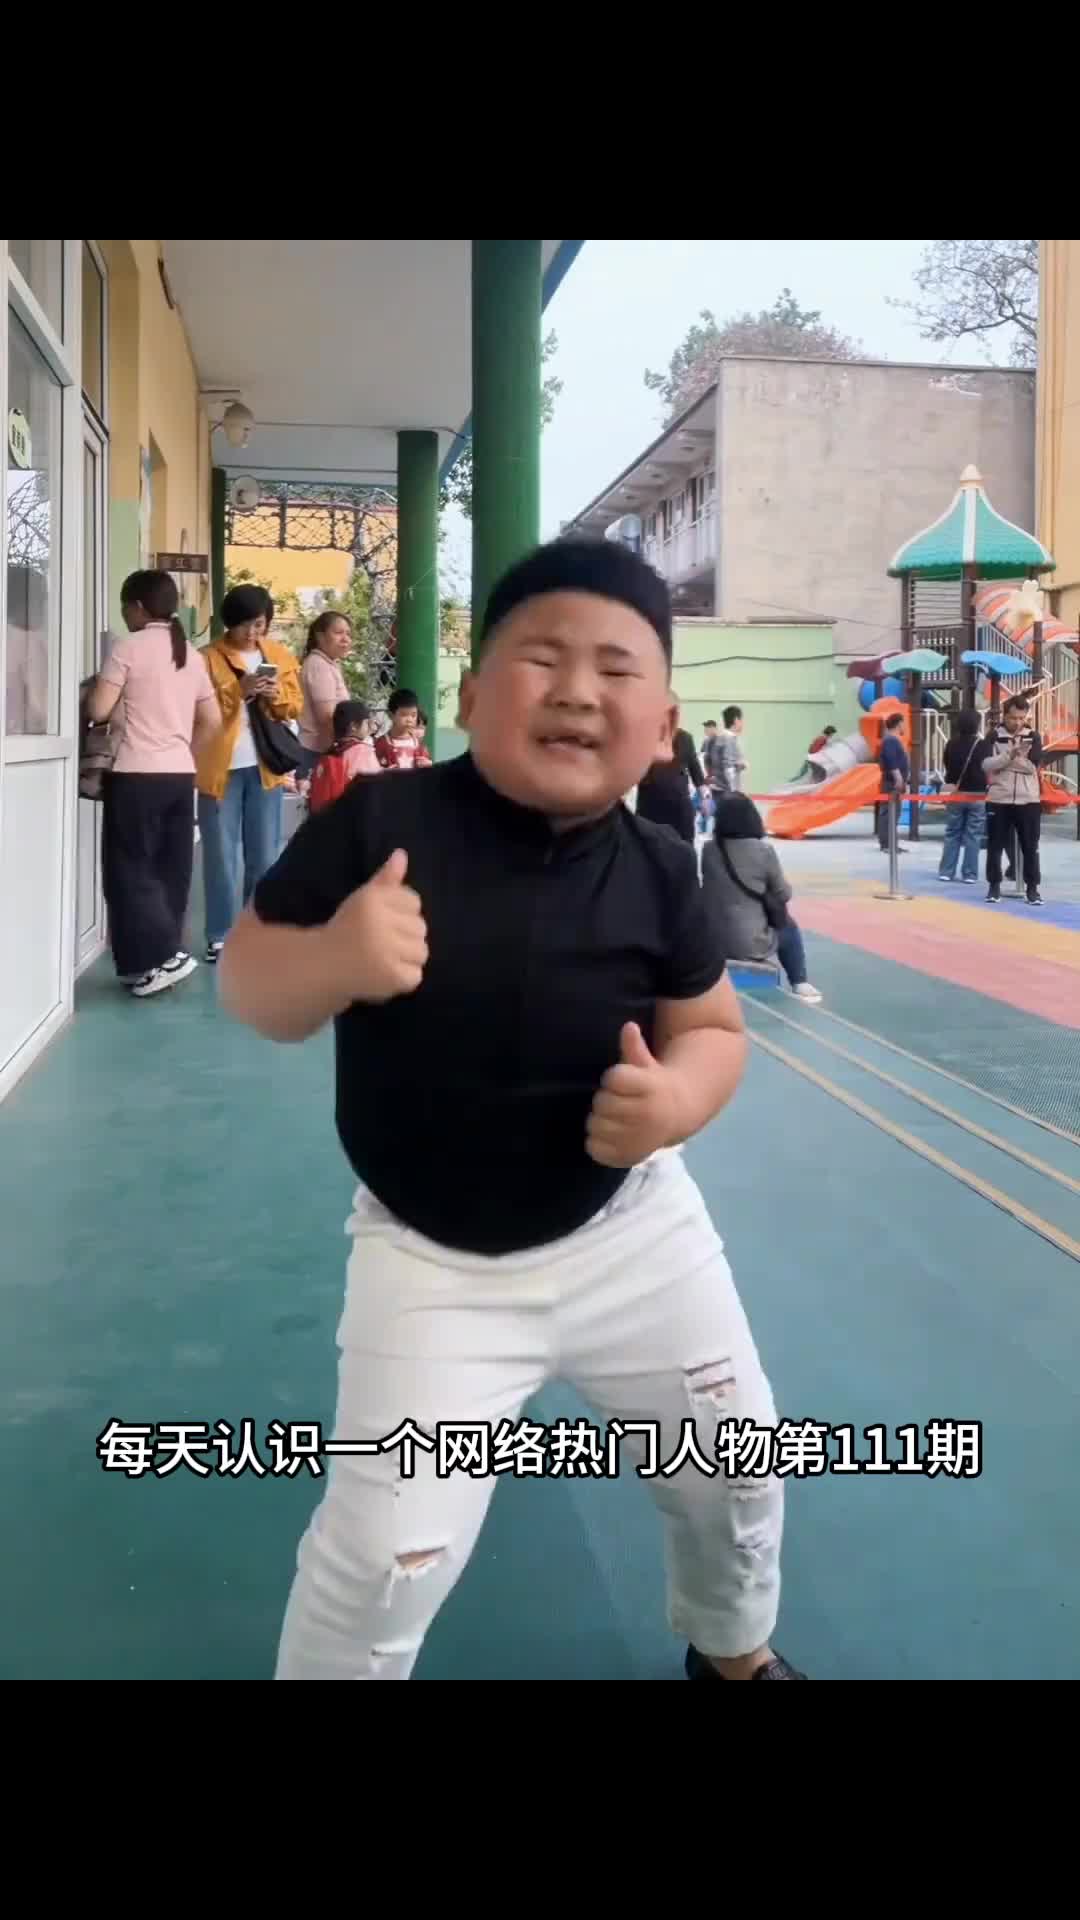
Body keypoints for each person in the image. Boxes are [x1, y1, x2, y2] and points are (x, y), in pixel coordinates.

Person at [219, 536, 803, 1684]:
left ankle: (734, 1655)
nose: (578, 689)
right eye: (542, 658)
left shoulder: (660, 868)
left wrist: (676, 1100)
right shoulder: (379, 825)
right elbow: (250, 981)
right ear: (473, 695)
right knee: (386, 1556)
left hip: (631, 1230)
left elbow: (714, 1031)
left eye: (616, 669)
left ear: (663, 723)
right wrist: (335, 958)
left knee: (734, 1469)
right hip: (429, 1255)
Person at [86, 570, 221, 997]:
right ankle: (143, 966)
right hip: (179, 775)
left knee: (129, 871)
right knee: (169, 869)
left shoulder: (128, 648)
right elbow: (212, 720)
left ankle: (166, 956)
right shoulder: (191, 656)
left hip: (135, 775)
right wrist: (183, 750)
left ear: (139, 607)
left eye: (125, 606)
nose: (124, 614)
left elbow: (98, 709)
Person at [196, 584, 303, 963]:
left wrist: (276, 697)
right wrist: (236, 690)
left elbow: (294, 707)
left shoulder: (279, 655)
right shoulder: (206, 659)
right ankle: (220, 934)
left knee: (264, 855)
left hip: (265, 768)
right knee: (220, 856)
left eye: (260, 624)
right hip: (219, 769)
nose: (253, 633)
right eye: (245, 625)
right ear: (230, 623)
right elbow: (198, 712)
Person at [702, 795, 822, 1003]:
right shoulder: (763, 850)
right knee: (788, 926)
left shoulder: (709, 850)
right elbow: (783, 894)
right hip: (749, 943)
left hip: (712, 940)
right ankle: (799, 981)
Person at [984, 694, 1043, 905]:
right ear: (1004, 716)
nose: (1017, 722)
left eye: (1021, 718)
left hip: (1028, 800)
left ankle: (1032, 889)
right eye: (1013, 718)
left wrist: (1003, 762)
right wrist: (1012, 755)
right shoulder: (993, 736)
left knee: (1030, 846)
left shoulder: (1033, 737)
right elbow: (986, 765)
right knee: (995, 846)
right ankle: (994, 887)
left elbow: (1032, 767)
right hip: (999, 799)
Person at [937, 708, 989, 884]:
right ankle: (969, 874)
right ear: (977, 725)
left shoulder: (951, 744)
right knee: (973, 835)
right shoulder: (983, 745)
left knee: (952, 832)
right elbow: (987, 768)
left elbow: (947, 766)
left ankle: (946, 871)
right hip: (978, 794)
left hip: (957, 793)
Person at [298, 611, 353, 774]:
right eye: (338, 633)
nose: (345, 639)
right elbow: (327, 718)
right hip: (317, 753)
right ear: (320, 636)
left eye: (348, 634)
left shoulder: (328, 663)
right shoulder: (318, 665)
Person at [635, 723, 707, 844]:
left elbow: (696, 770)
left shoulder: (684, 738)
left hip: (676, 807)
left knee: (683, 847)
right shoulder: (643, 736)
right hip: (651, 806)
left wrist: (705, 798)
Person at [308, 701, 380, 815]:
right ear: (353, 726)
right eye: (367, 723)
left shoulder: (331, 751)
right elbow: (375, 784)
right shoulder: (362, 751)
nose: (369, 727)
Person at [373, 687, 432, 770]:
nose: (409, 720)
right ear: (391, 715)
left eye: (413, 715)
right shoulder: (381, 744)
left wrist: (428, 765)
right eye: (404, 715)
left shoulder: (419, 746)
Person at [877, 713, 909, 853]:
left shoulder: (891, 740)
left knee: (893, 813)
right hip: (891, 783)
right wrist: (898, 778)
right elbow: (891, 760)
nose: (905, 726)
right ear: (899, 723)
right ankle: (887, 844)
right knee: (890, 813)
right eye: (904, 723)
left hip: (892, 782)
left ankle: (890, 843)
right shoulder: (890, 740)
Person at [716, 706, 747, 794]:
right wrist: (741, 764)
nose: (743, 724)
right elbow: (728, 767)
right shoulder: (729, 739)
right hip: (729, 789)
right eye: (742, 720)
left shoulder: (722, 737)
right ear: (736, 720)